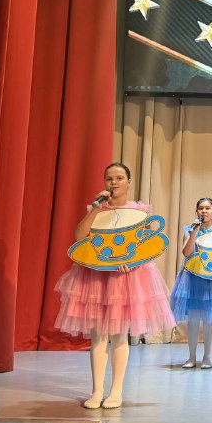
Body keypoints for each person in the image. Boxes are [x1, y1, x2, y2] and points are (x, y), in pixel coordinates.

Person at [55, 162, 176, 409]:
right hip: (96, 277)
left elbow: (145, 245)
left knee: (119, 335)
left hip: (125, 278)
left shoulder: (139, 211)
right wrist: (95, 209)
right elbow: (79, 237)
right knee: (98, 336)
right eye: (109, 178)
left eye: (119, 178)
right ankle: (97, 391)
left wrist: (131, 263)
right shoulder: (97, 210)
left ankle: (116, 391)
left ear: (129, 182)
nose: (114, 182)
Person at [169, 197, 212, 369]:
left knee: (209, 318)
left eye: (207, 208)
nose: (204, 211)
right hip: (192, 278)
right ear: (197, 211)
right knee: (192, 320)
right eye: (201, 208)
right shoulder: (190, 230)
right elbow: (186, 253)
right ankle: (191, 357)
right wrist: (194, 232)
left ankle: (207, 357)